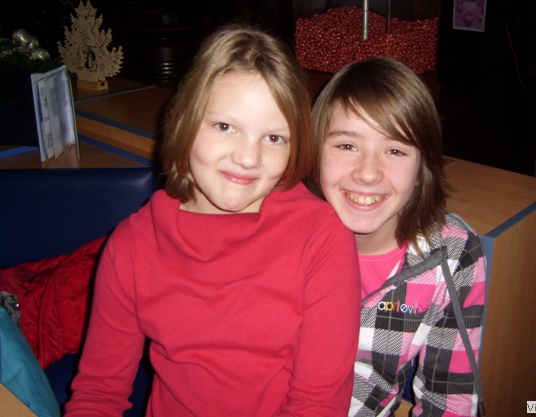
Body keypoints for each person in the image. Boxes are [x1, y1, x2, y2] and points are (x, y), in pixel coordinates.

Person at [65, 24, 361, 416]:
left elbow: (317, 406)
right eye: (225, 127)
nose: (248, 158)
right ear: (186, 122)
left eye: (274, 138)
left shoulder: (320, 237)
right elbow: (98, 394)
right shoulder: (133, 244)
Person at [310, 57, 487, 416]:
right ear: (314, 152)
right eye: (347, 146)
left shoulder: (452, 256)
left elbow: (448, 400)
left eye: (394, 150)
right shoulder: (281, 234)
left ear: (422, 167)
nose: (368, 173)